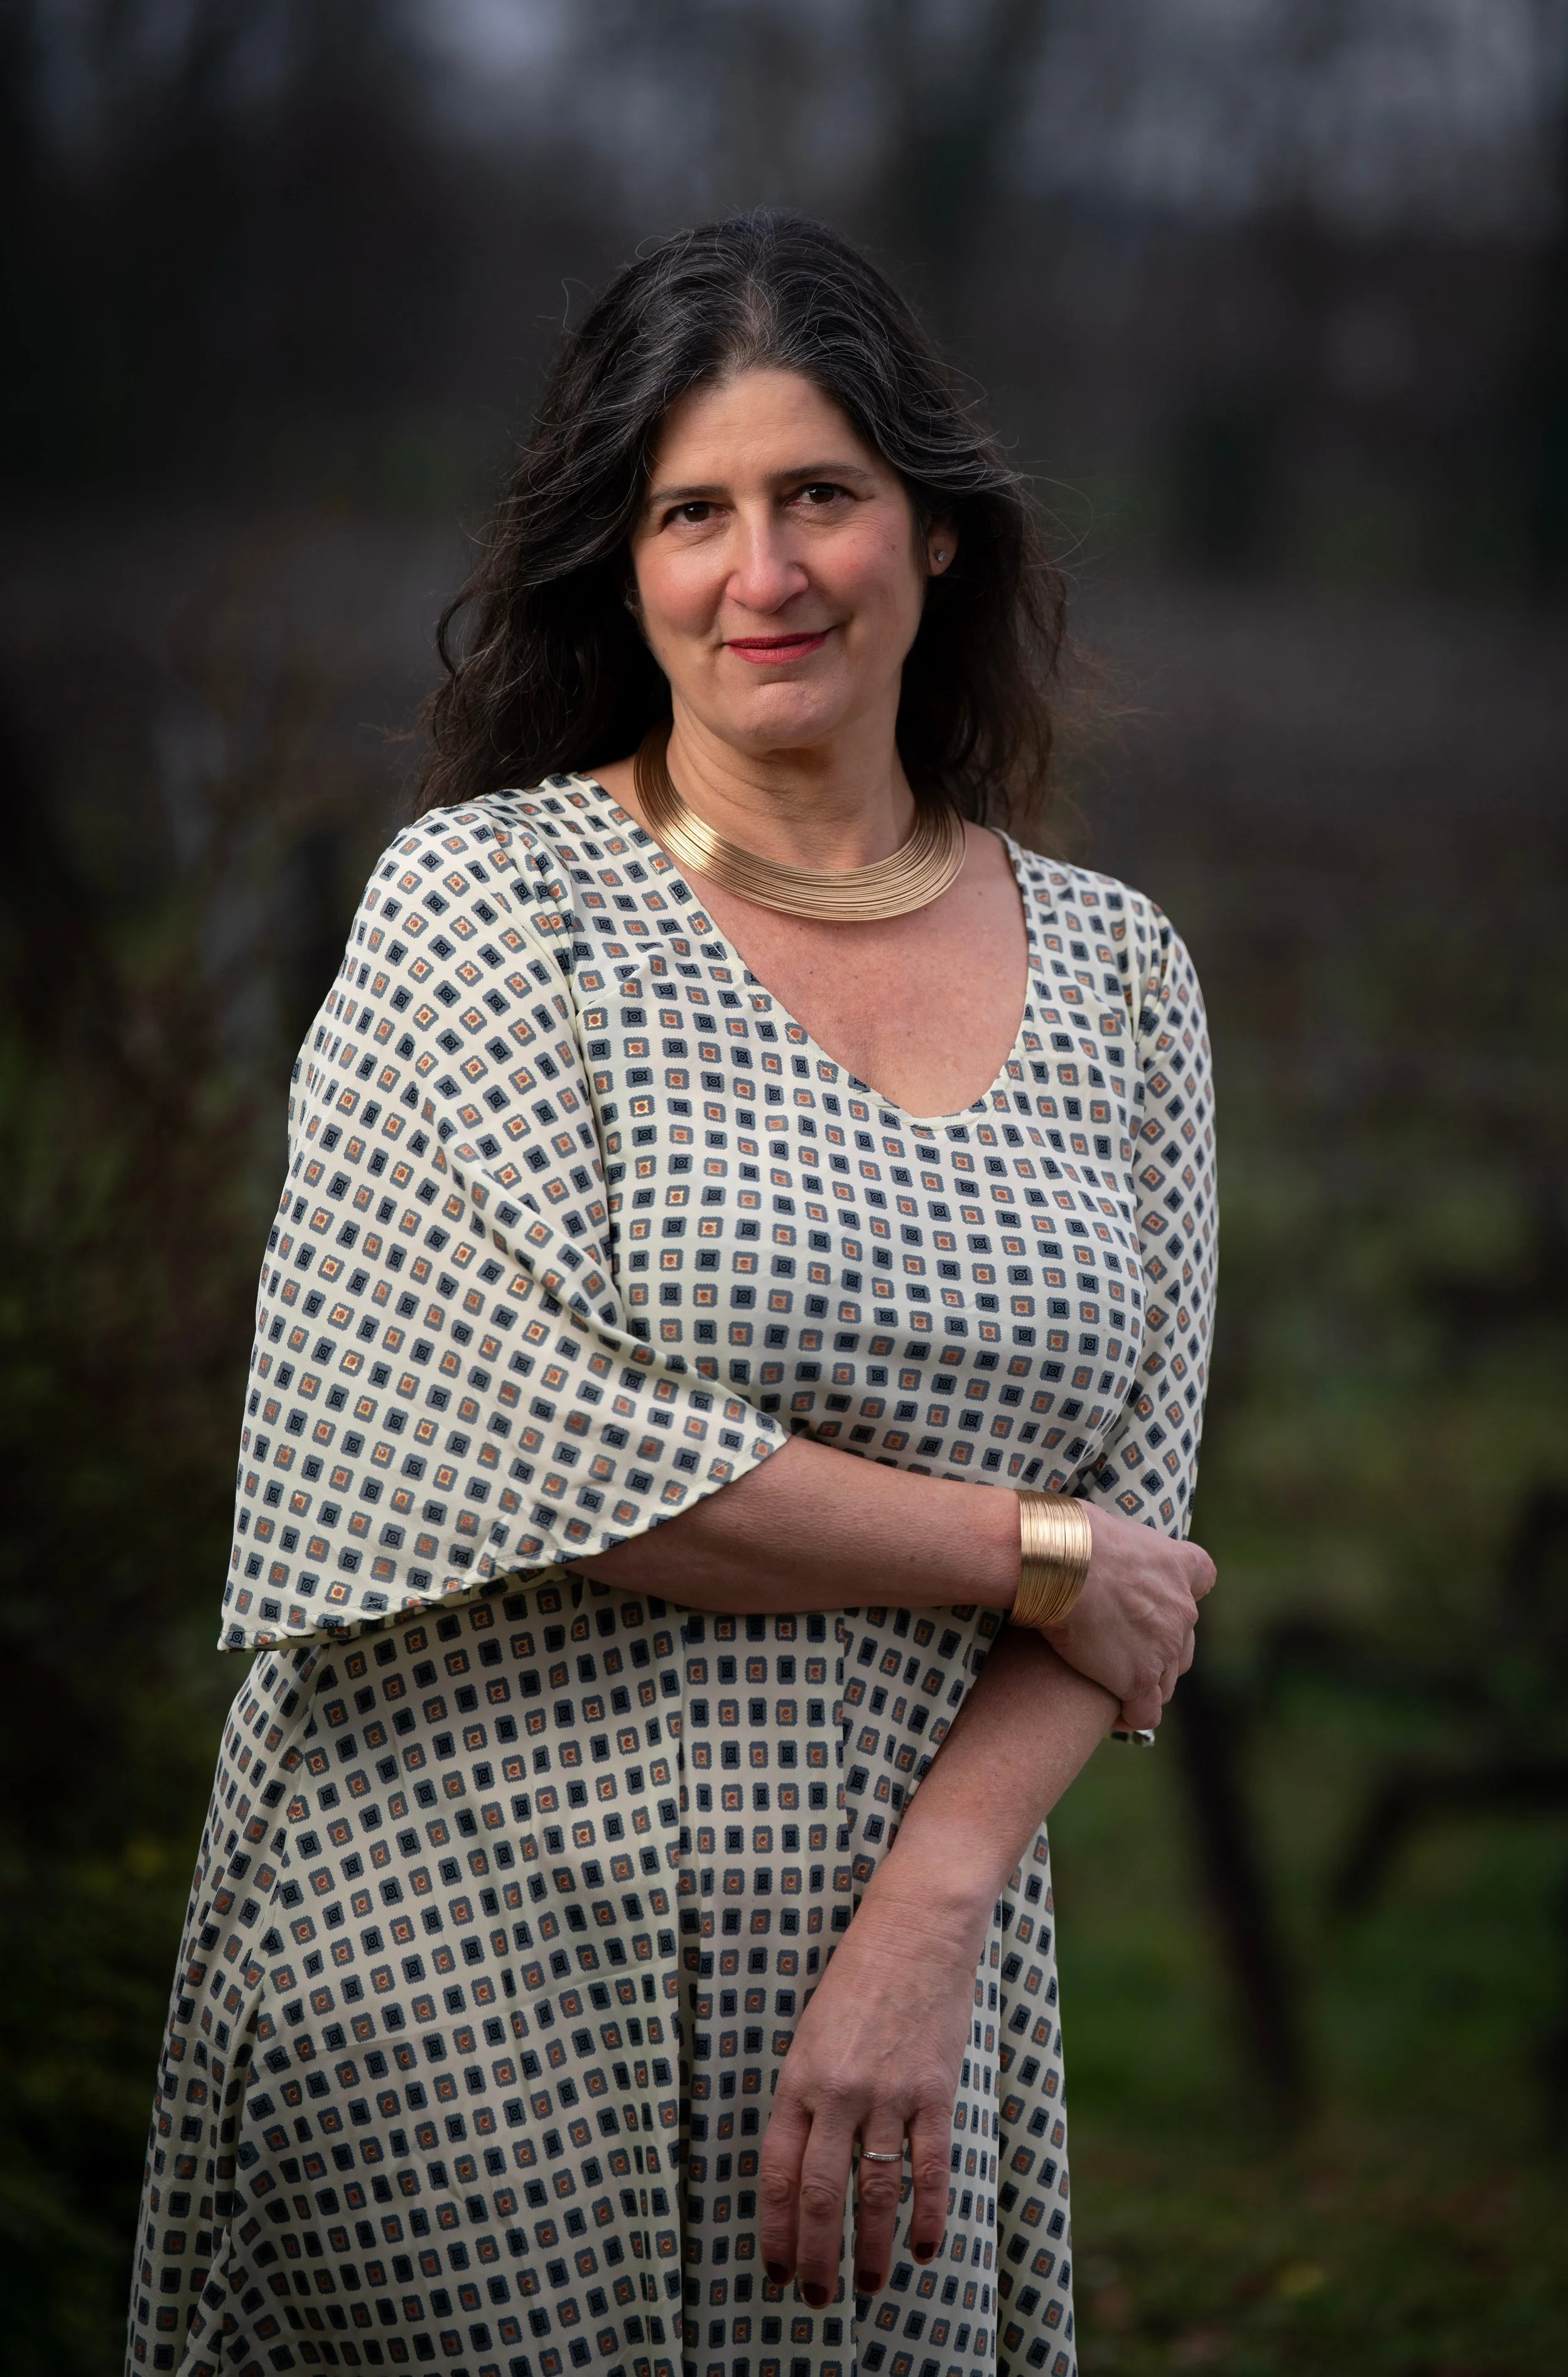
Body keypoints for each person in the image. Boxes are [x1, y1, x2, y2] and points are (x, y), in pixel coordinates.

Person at [127, 211, 1216, 2377]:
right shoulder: (490, 909)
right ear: (618, 573)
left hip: (906, 2001)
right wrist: (1023, 1551)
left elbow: (1144, 1561)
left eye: (818, 495)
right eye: (689, 513)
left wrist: (925, 1923)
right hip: (458, 1952)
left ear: (934, 531)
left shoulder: (1122, 978)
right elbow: (501, 1439)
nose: (764, 573)